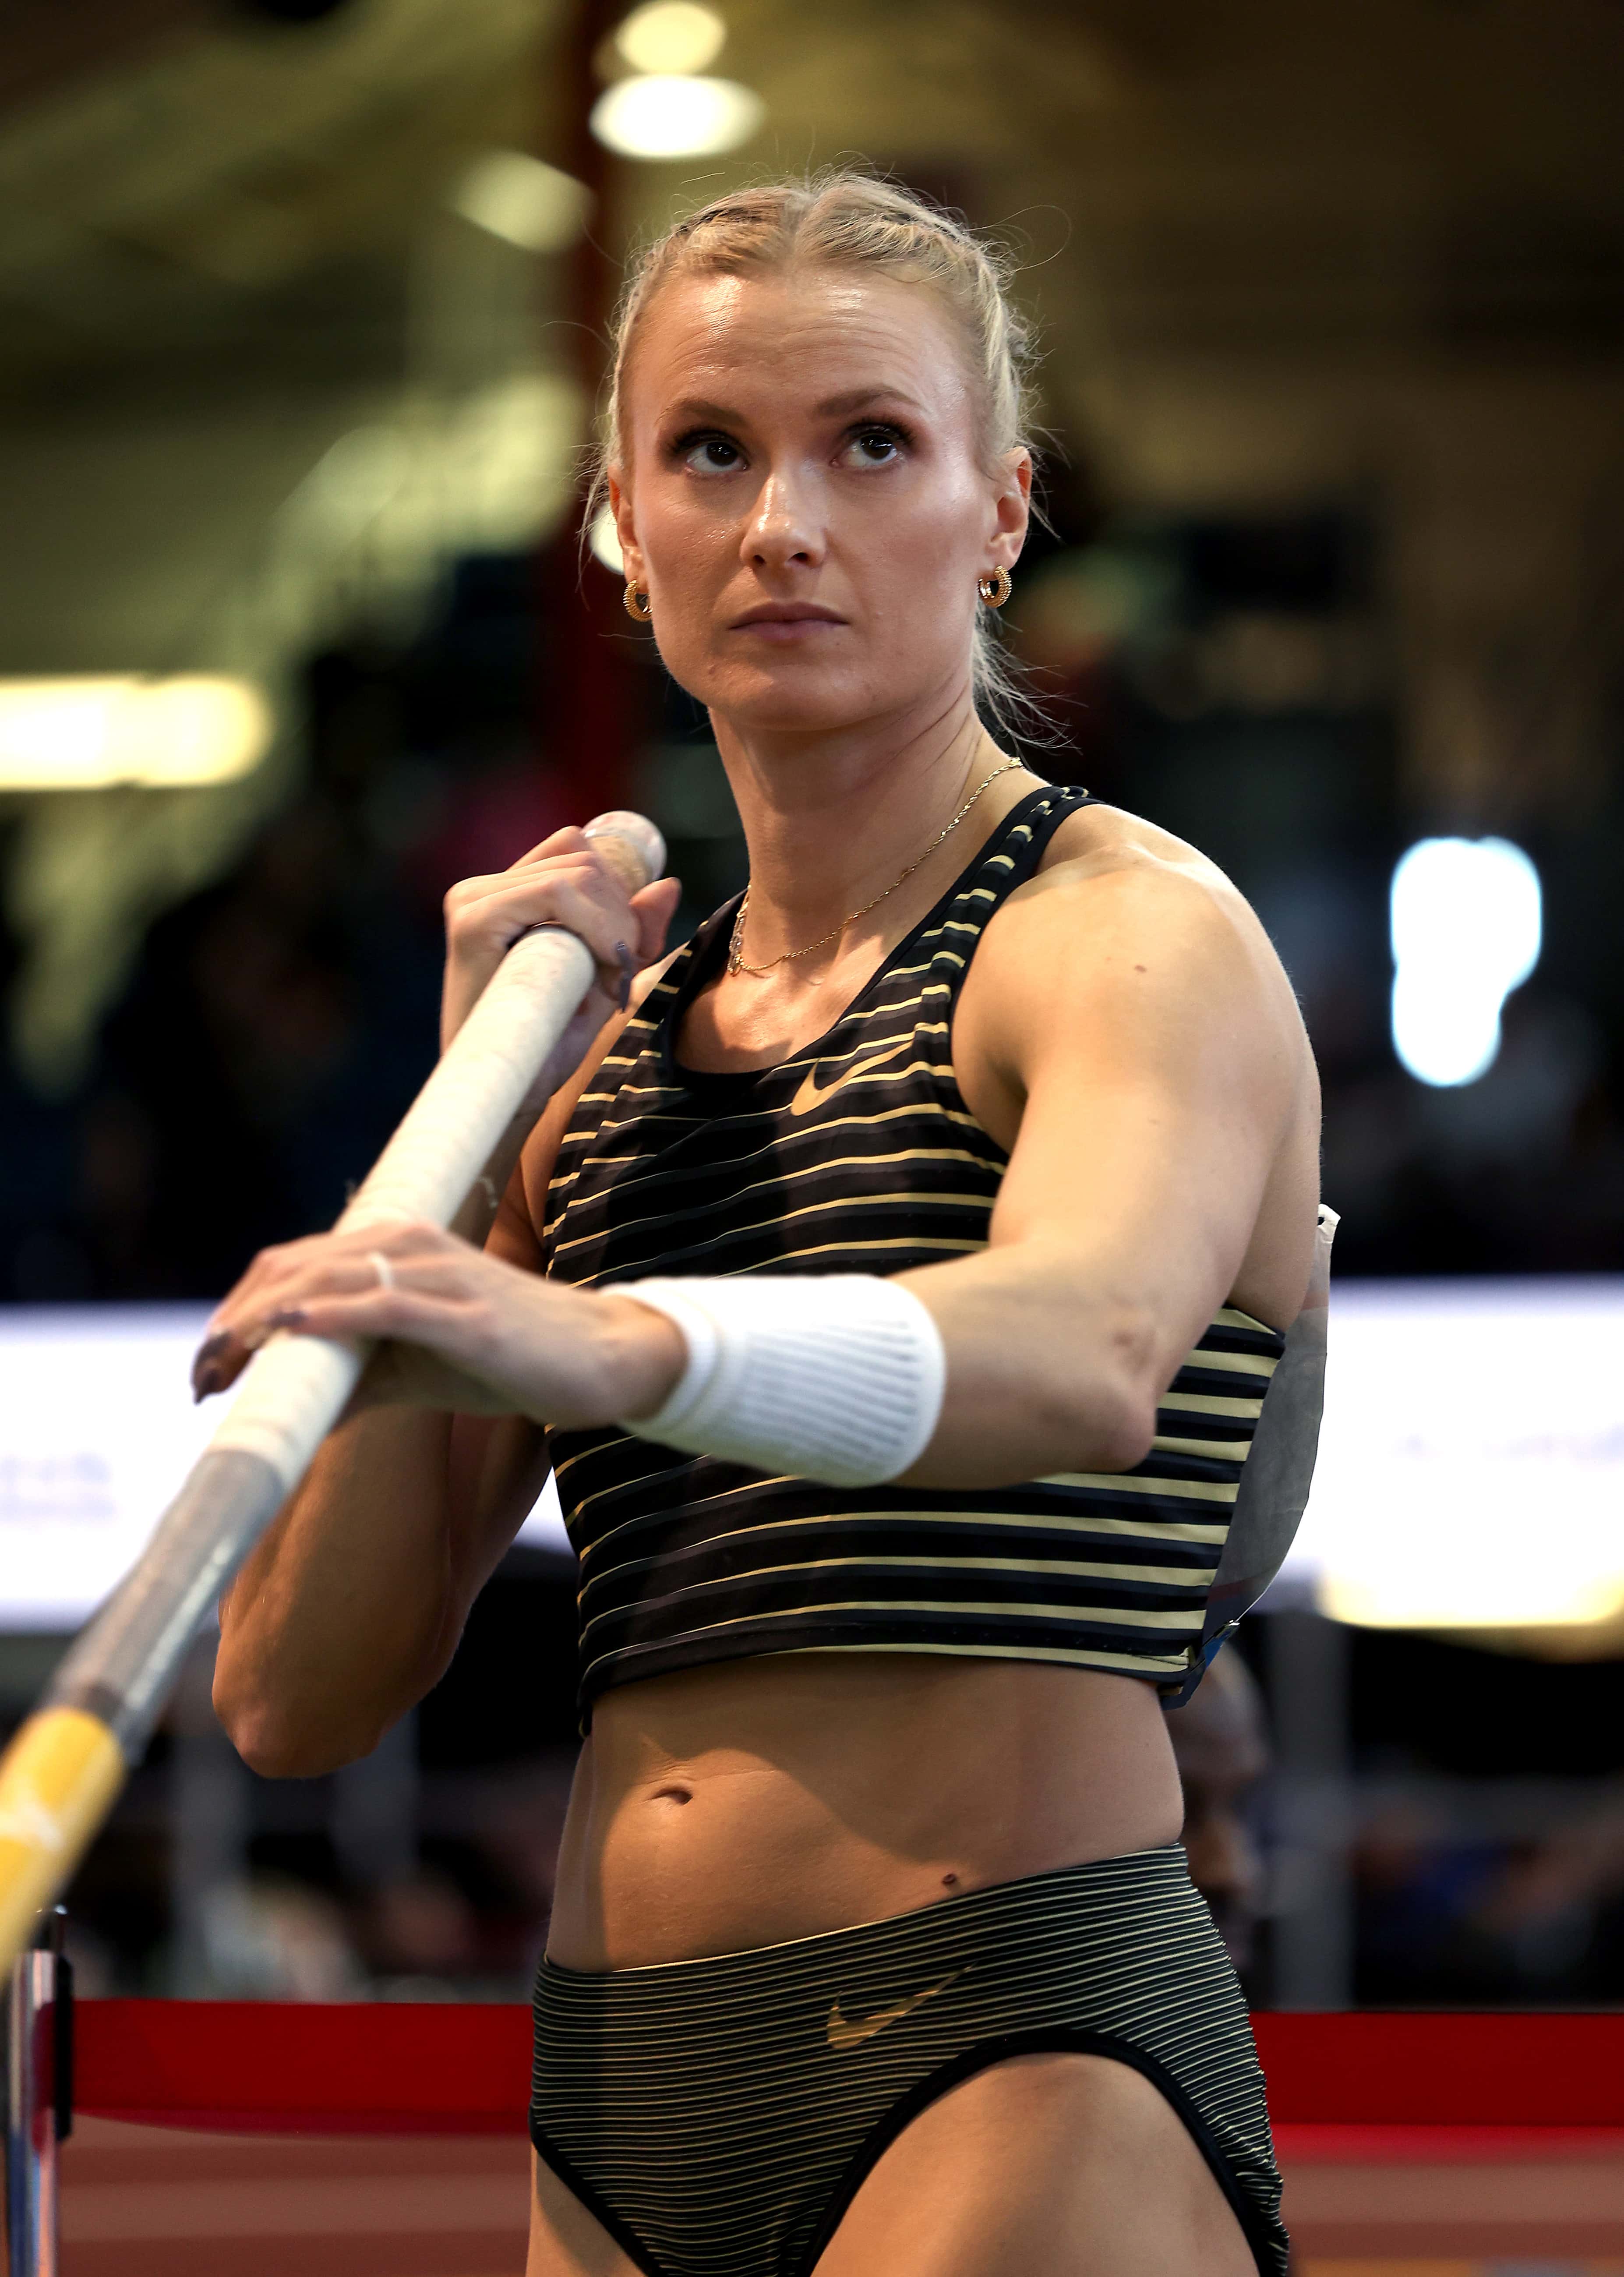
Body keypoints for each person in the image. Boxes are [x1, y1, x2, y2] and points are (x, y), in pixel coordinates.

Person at [204, 173, 1321, 2277]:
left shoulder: (1120, 937)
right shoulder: (597, 1062)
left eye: (870, 445)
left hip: (1009, 2042)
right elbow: (295, 1697)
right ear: (620, 526)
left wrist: (608, 1343)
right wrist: (457, 1169)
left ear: (1000, 511)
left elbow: (1084, 1353)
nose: (782, 521)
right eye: (711, 450)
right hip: (621, 2098)